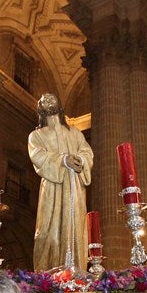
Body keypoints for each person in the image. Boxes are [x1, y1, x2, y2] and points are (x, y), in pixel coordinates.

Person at [28, 93, 94, 271]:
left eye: (51, 97)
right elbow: (38, 156)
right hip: (51, 188)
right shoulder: (36, 136)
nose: (46, 98)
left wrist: (80, 160)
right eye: (42, 99)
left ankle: (77, 272)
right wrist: (63, 160)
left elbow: (87, 152)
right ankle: (47, 278)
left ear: (60, 104)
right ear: (39, 109)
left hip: (74, 189)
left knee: (75, 231)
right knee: (47, 233)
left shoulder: (75, 133)